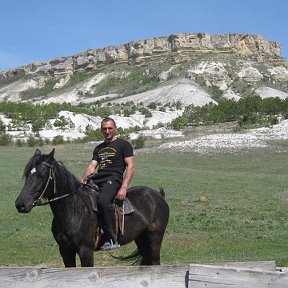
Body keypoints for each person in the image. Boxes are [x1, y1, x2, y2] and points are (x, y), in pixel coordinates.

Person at [80, 117, 135, 250]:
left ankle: (112, 238)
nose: (107, 131)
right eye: (104, 128)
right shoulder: (99, 148)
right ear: (101, 130)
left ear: (115, 129)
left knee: (104, 201)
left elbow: (131, 166)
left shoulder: (124, 144)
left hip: (113, 178)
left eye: (110, 128)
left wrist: (124, 187)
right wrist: (84, 178)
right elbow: (93, 165)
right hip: (98, 177)